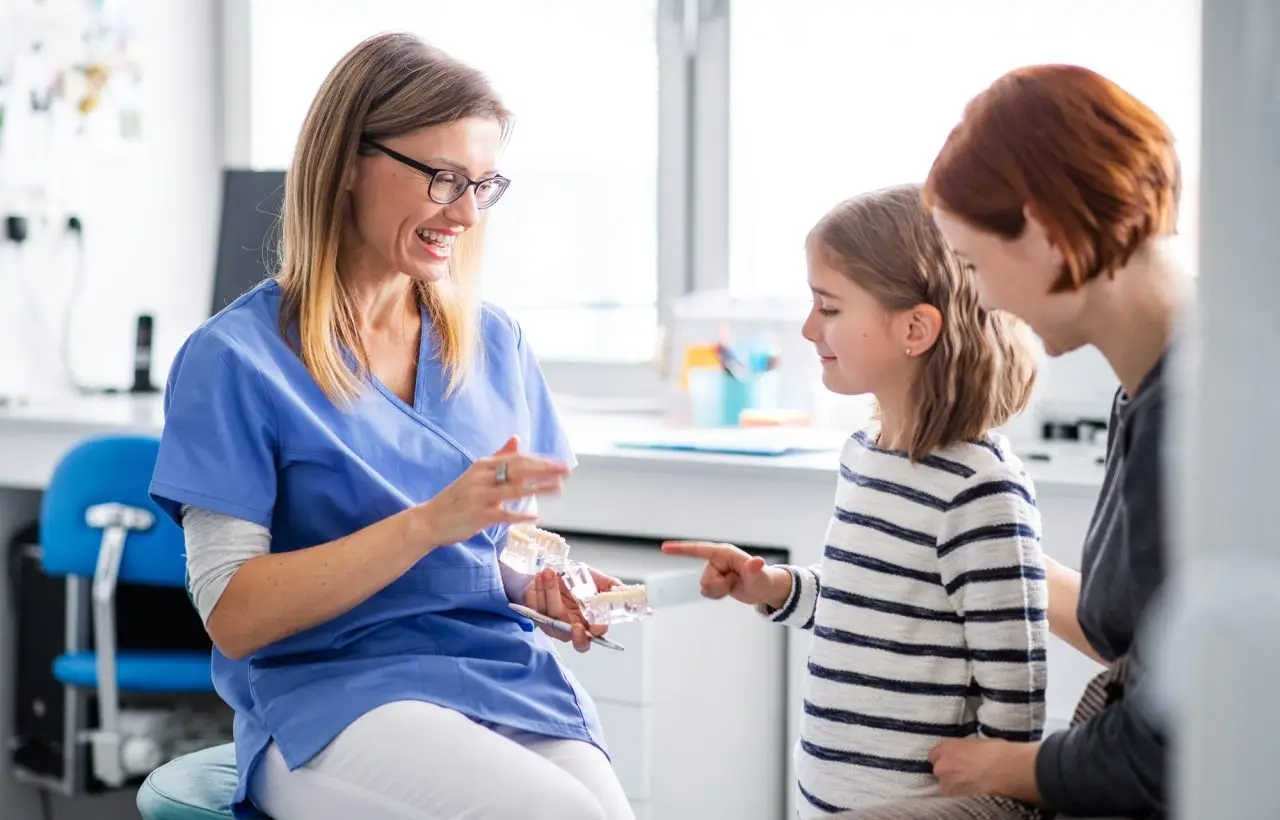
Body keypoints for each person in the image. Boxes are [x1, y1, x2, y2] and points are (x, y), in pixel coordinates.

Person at [148, 33, 633, 820]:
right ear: (347, 163)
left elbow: (513, 544)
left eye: (484, 185)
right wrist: (432, 523)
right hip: (331, 693)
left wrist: (544, 587)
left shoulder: (493, 343)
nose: (468, 214)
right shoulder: (234, 360)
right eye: (445, 180)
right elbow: (233, 615)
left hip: (493, 672)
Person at [842, 64, 1184, 820]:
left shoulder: (1196, 422)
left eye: (972, 265)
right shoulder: (1152, 389)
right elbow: (1123, 621)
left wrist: (1011, 764)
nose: (984, 298)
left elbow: (1164, 751)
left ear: (1046, 233)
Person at [663, 184, 1047, 818]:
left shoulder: (979, 488)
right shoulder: (865, 454)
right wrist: (775, 588)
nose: (810, 328)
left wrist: (998, 793)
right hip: (832, 795)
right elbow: (867, 609)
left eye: (830, 307)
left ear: (915, 329)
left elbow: (1017, 682)